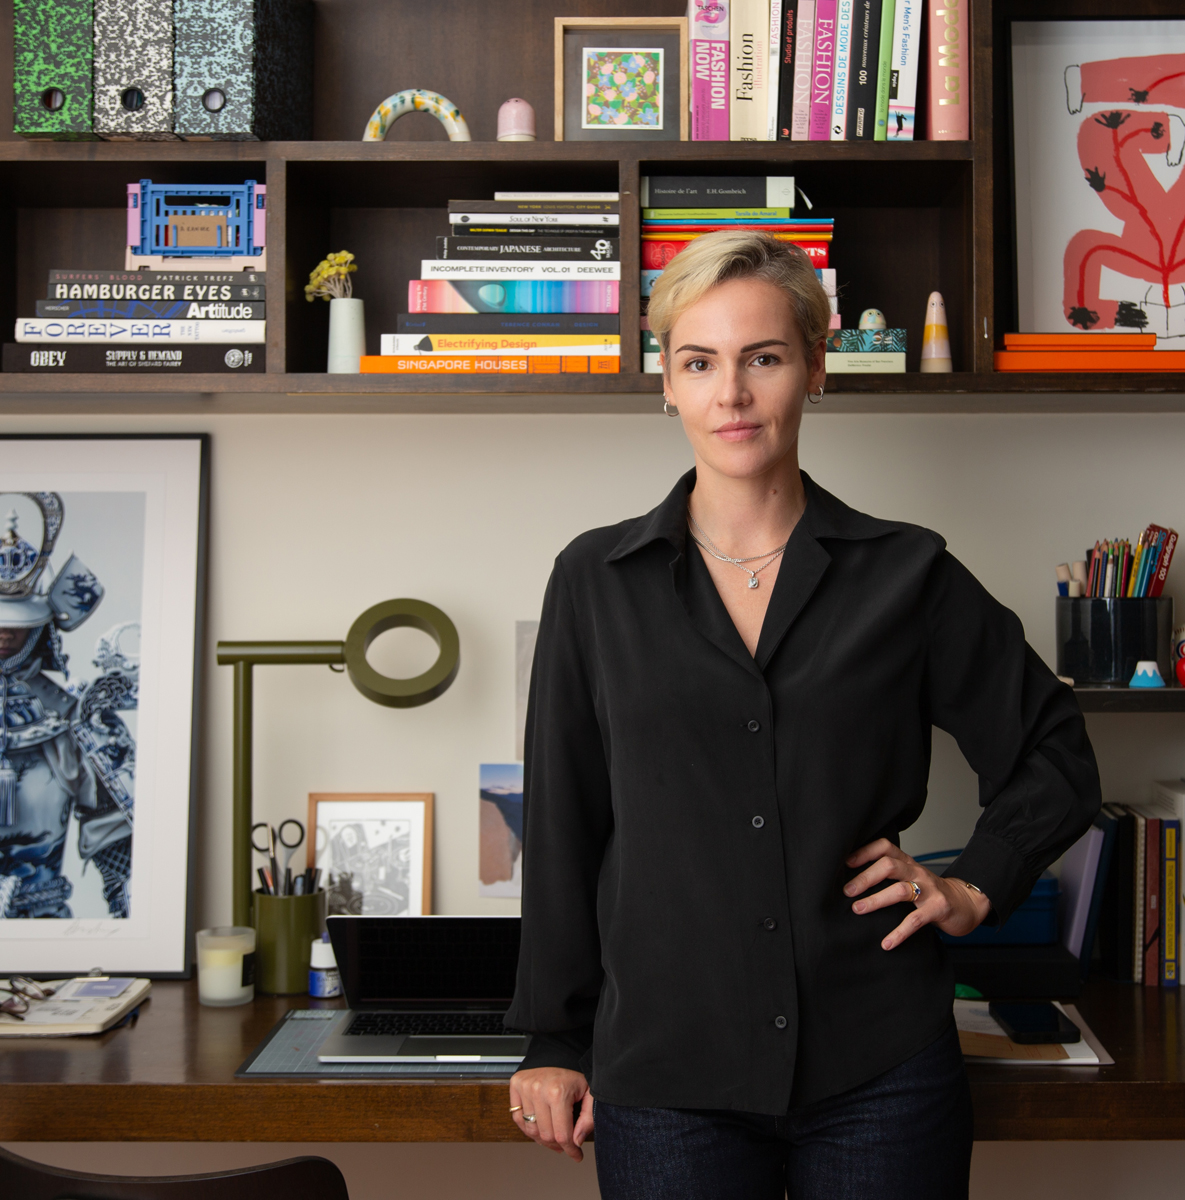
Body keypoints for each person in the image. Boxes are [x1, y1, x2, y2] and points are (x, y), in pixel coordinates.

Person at [502, 231, 1101, 1199]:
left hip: (879, 1074)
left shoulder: (908, 575)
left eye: (763, 358)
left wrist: (976, 886)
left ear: (815, 369)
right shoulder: (594, 583)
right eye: (700, 363)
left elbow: (1054, 749)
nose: (730, 394)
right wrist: (555, 1039)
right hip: (665, 1080)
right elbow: (568, 821)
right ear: (667, 382)